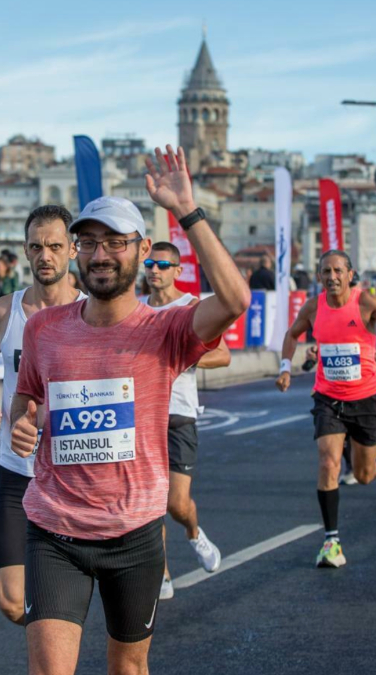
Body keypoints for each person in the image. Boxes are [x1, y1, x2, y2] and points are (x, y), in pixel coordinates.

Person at [6, 147, 249, 674]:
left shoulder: (166, 329)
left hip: (134, 534)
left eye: (115, 242)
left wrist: (188, 211)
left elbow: (234, 300)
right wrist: (22, 422)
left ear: (140, 251)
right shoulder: (43, 329)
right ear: (75, 251)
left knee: (128, 670)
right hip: (54, 531)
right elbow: (26, 400)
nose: (100, 254)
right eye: (89, 242)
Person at [0, 205, 83, 626]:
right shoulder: (3, 311)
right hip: (17, 474)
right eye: (36, 246)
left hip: (76, 476)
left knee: (72, 601)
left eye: (55, 245)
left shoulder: (94, 314)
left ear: (73, 249)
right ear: (25, 250)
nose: (45, 255)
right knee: (13, 602)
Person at [275, 250, 376, 567]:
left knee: (365, 475)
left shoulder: (365, 302)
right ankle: (332, 542)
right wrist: (285, 367)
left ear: (350, 274)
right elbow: (292, 333)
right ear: (319, 276)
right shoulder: (314, 307)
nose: (332, 277)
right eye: (326, 271)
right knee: (328, 463)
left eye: (338, 270)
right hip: (327, 397)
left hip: (366, 398)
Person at [143, 241, 231, 600]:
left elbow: (223, 355)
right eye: (149, 263)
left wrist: (183, 356)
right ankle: (161, 573)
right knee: (149, 503)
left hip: (180, 415)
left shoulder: (191, 307)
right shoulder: (136, 310)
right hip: (143, 416)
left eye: (163, 265)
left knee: (176, 504)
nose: (154, 270)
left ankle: (194, 533)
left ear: (178, 271)